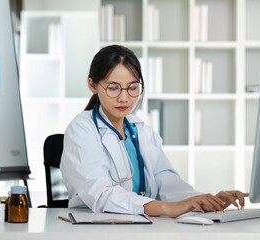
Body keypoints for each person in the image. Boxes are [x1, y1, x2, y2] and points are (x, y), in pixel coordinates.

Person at [60, 45, 248, 218]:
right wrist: (166, 208)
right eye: (113, 88)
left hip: (144, 227)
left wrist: (203, 200)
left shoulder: (140, 130)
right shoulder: (82, 129)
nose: (124, 98)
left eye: (133, 88)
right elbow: (100, 194)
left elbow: (166, 182)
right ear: (93, 85)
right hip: (96, 228)